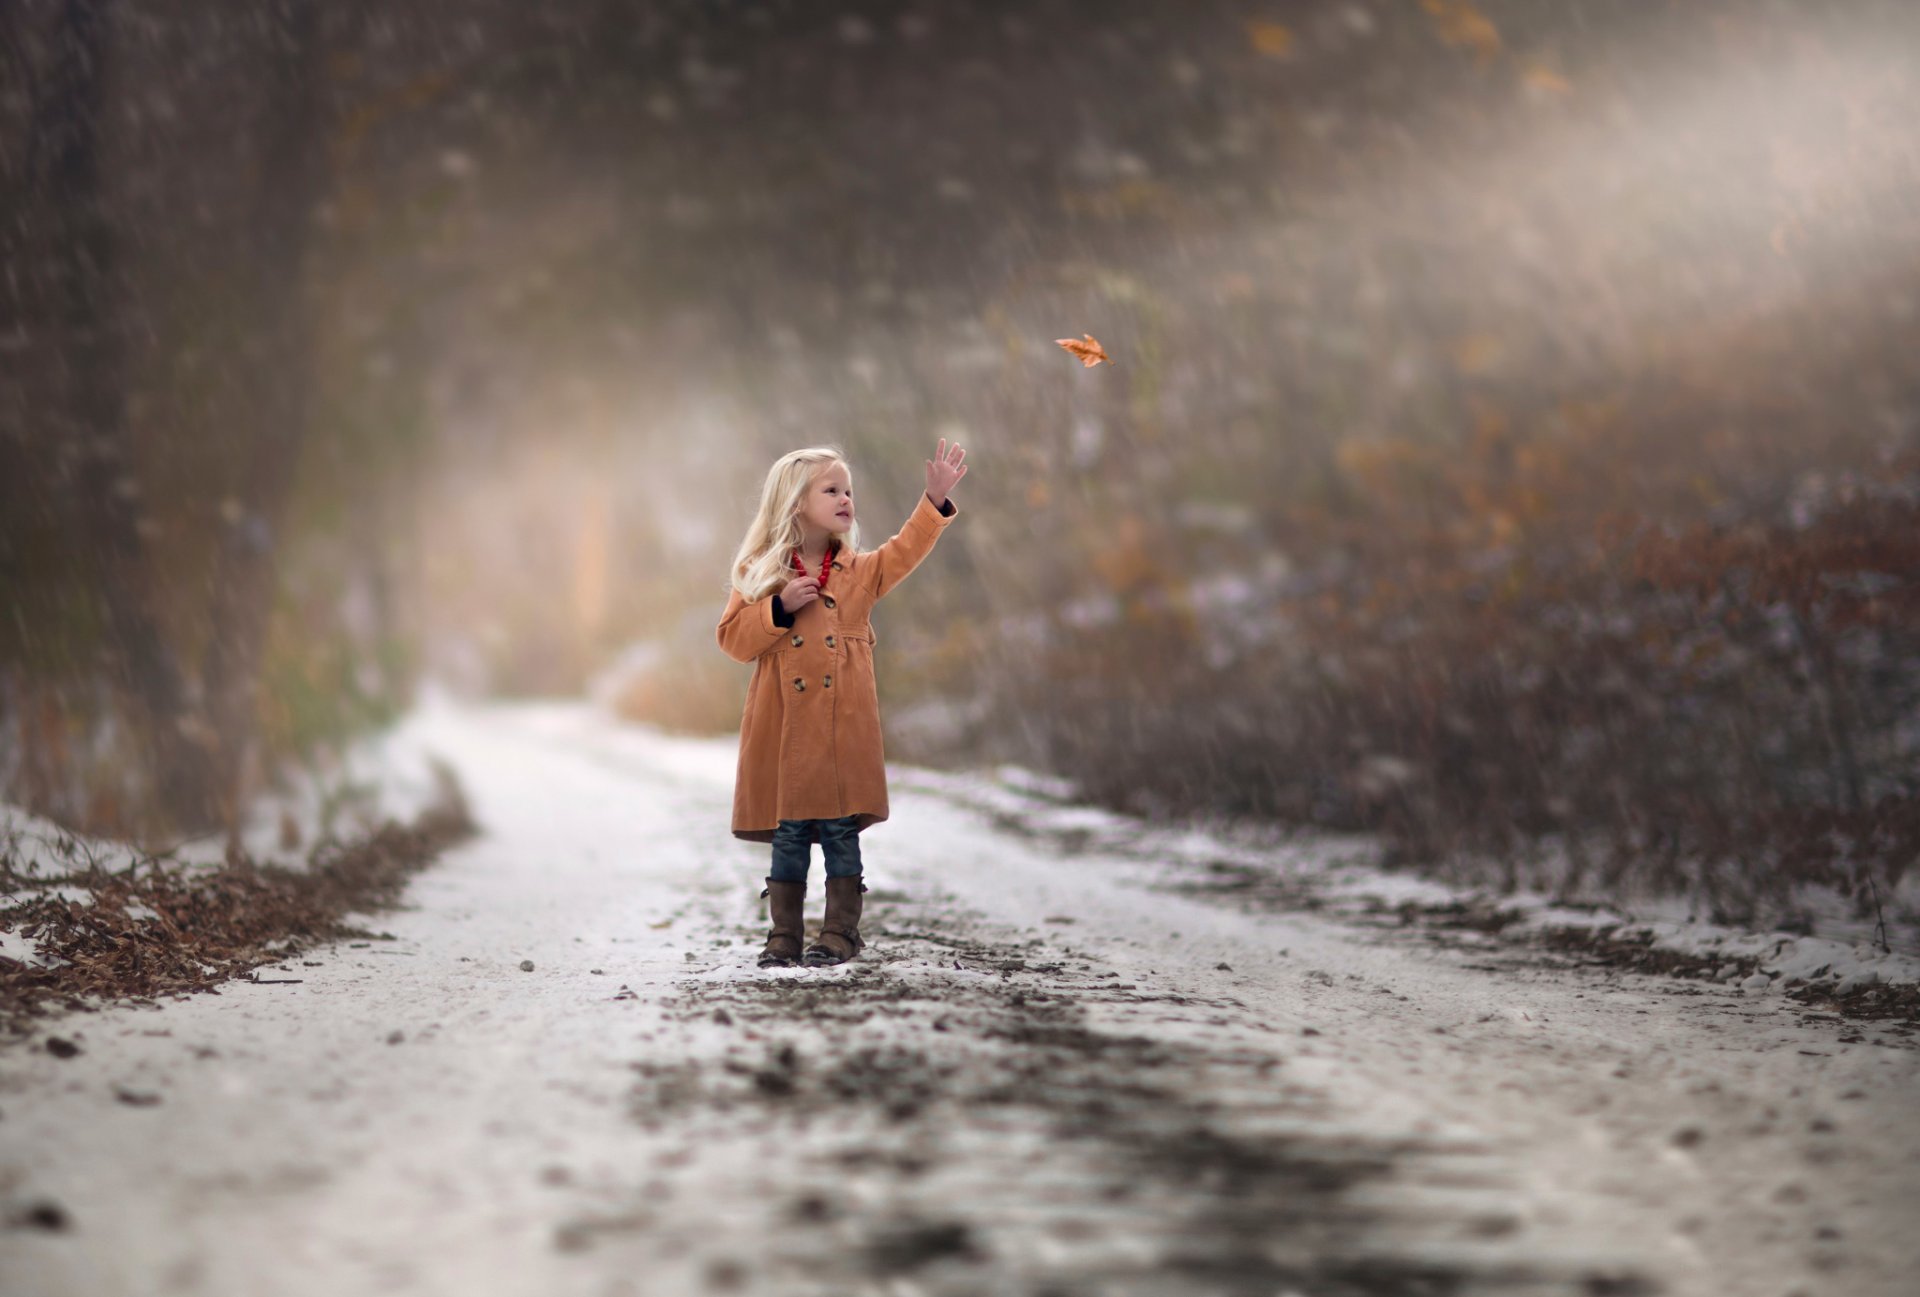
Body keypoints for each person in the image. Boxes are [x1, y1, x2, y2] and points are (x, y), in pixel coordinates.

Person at [717, 440, 968, 967]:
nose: (845, 498)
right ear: (794, 503)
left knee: (838, 831)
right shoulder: (761, 572)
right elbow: (734, 641)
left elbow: (904, 550)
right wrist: (778, 610)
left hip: (841, 727)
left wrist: (933, 502)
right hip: (784, 728)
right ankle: (783, 936)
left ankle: (840, 933)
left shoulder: (859, 572)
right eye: (831, 489)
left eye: (848, 490)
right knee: (788, 835)